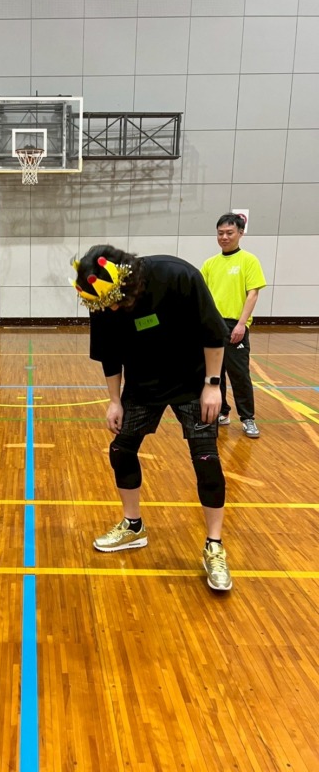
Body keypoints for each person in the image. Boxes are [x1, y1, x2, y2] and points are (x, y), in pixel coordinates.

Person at [71, 246, 232, 591]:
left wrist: (213, 385)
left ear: (127, 282)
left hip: (194, 381)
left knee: (206, 458)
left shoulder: (177, 275)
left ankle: (214, 546)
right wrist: (114, 400)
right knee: (121, 449)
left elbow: (213, 332)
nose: (112, 310)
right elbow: (109, 354)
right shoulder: (101, 299)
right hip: (143, 383)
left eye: (115, 302)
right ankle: (133, 526)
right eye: (105, 306)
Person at [201, 213, 266, 438]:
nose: (224, 237)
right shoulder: (210, 264)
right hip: (213, 325)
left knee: (239, 374)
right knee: (214, 373)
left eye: (229, 233)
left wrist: (241, 325)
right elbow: (203, 296)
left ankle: (248, 418)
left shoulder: (249, 260)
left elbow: (253, 294)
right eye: (220, 233)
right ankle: (222, 411)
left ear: (240, 233)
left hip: (235, 325)